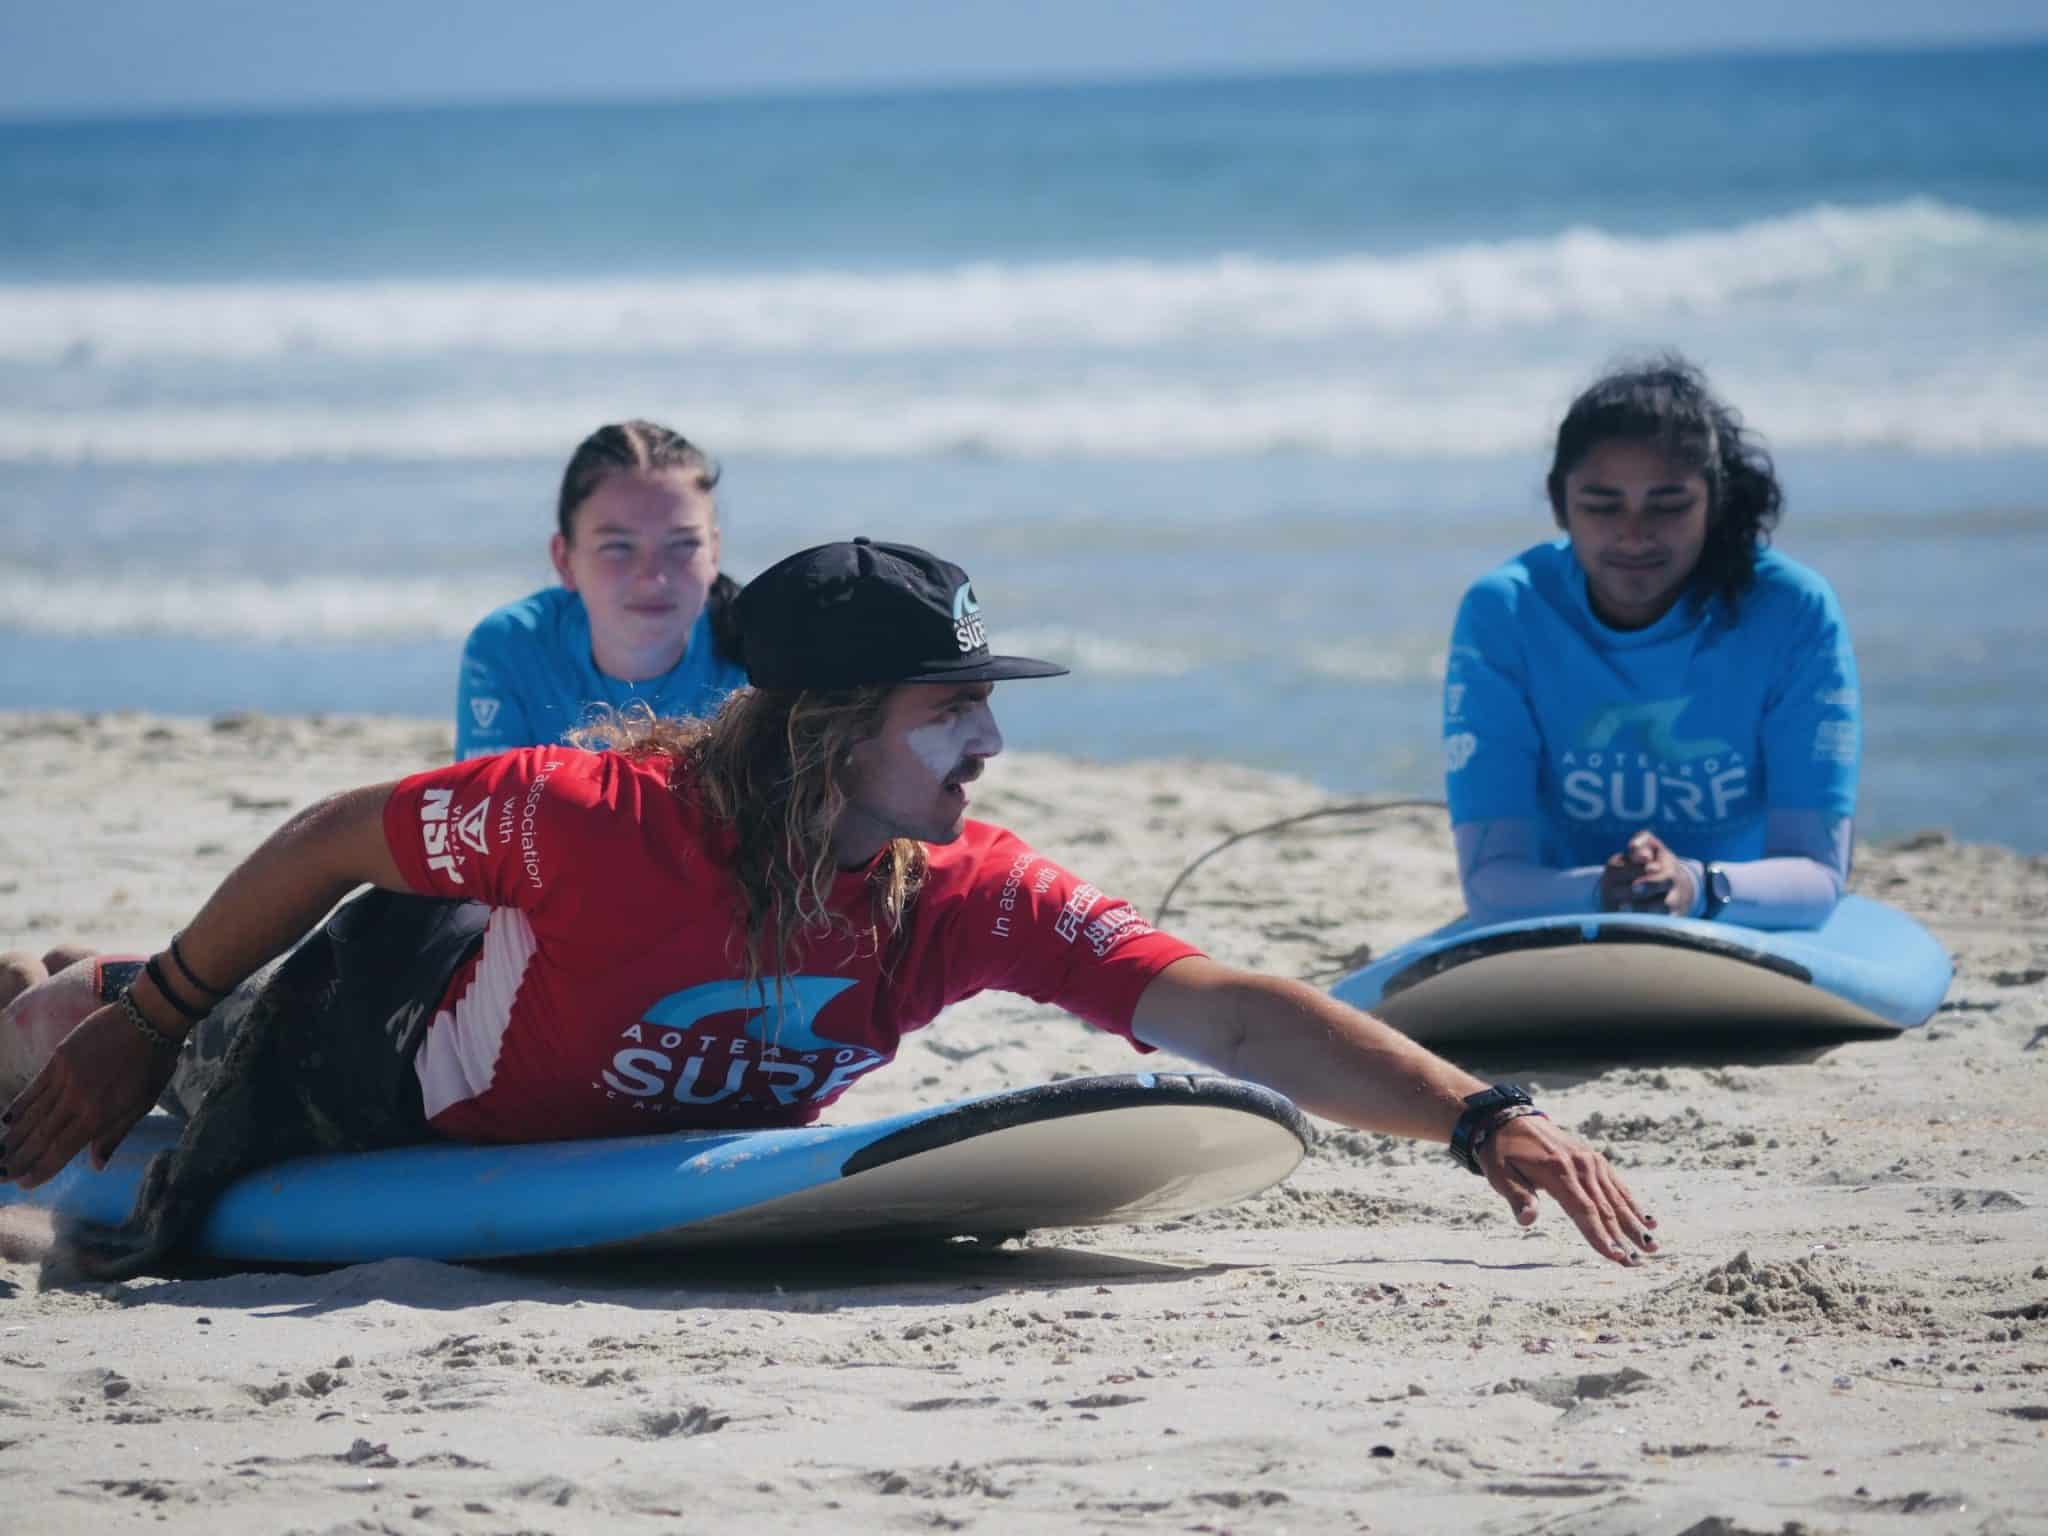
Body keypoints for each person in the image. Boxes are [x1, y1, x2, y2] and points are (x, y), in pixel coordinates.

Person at [3, 539, 1656, 1279]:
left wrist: (1475, 1115)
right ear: (827, 727)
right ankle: (81, 979)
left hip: (515, 1067)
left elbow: (1214, 1010)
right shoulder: (593, 818)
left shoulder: (959, 890)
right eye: (949, 708)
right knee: (55, 1044)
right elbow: (337, 837)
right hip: (369, 1042)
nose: (987, 742)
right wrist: (155, 1020)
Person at [1442, 356, 1859, 930]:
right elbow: (1491, 883)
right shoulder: (1507, 614)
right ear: (1559, 504)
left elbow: (1817, 874)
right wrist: (1604, 890)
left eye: (1668, 506)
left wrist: (1691, 884)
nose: (1634, 533)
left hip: (1736, 912)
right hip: (1562, 918)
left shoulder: (1791, 612)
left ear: (1714, 500)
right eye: (1601, 505)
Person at [454, 420, 747, 759]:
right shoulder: (511, 649)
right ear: (565, 560)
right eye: (618, 547)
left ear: (714, 551)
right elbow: (490, 805)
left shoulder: (760, 659)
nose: (652, 576)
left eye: (682, 544)